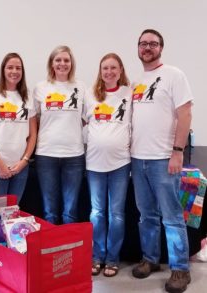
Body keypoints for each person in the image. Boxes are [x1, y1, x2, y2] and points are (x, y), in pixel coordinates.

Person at [131, 29, 193, 293]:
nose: (147, 47)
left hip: (163, 159)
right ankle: (150, 259)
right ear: (138, 48)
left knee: (172, 216)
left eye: (152, 44)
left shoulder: (174, 75)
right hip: (137, 158)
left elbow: (185, 113)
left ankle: (180, 269)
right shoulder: (136, 81)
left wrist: (177, 151)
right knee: (147, 216)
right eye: (143, 43)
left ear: (161, 48)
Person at [83, 53, 132, 277]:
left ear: (120, 70)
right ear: (100, 71)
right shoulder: (90, 95)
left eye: (113, 68)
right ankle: (97, 256)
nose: (109, 72)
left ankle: (112, 258)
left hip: (121, 163)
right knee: (96, 212)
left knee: (117, 214)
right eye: (105, 68)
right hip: (94, 164)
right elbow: (82, 122)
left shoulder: (129, 94)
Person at [33, 45, 86, 224]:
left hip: (74, 156)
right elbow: (35, 119)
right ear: (51, 63)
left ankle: (68, 251)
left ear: (71, 64)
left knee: (70, 211)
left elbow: (86, 117)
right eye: (58, 60)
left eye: (66, 60)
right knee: (49, 211)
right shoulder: (40, 87)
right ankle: (51, 251)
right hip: (46, 155)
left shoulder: (80, 87)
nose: (62, 64)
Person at [0, 53, 37, 202]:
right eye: (10, 67)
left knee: (13, 212)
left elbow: (33, 135)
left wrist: (24, 161)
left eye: (18, 68)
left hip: (20, 168)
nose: (14, 71)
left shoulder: (28, 98)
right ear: (3, 70)